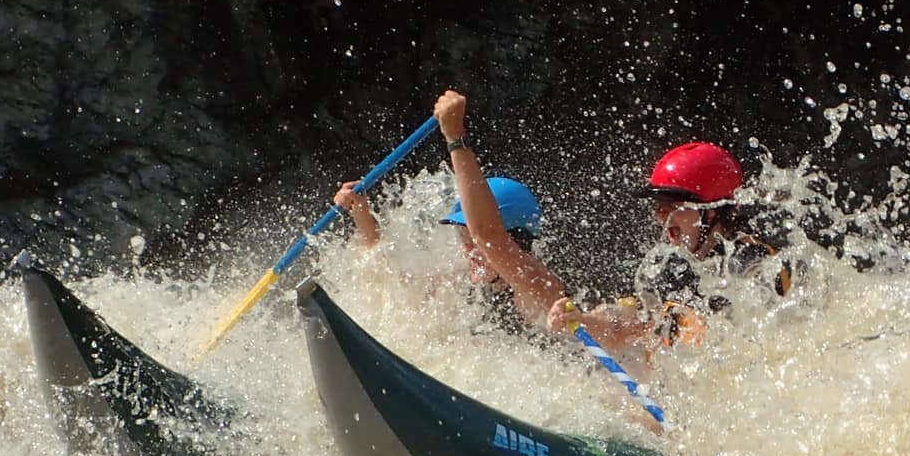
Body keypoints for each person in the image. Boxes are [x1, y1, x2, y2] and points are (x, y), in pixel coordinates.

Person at [434, 87, 789, 362]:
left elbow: (490, 237)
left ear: (713, 211)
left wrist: (456, 140)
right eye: (659, 207)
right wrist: (587, 322)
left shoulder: (756, 265)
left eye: (673, 206)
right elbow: (630, 324)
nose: (660, 216)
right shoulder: (667, 268)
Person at [331, 162, 547, 333]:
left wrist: (456, 140)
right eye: (462, 237)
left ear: (514, 241)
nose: (468, 250)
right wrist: (360, 213)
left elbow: (490, 234)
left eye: (475, 240)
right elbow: (388, 285)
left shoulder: (539, 289)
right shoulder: (462, 283)